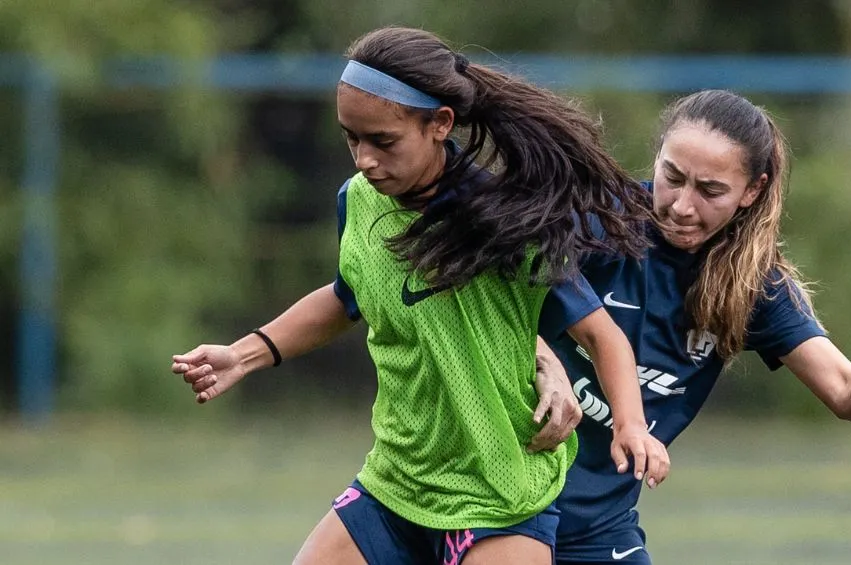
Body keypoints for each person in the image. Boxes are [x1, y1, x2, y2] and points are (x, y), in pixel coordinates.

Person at [170, 27, 670, 565]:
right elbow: (346, 297)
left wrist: (630, 425)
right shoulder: (358, 201)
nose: (363, 158)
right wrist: (243, 356)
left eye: (383, 141)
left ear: (440, 124)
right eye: (351, 138)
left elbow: (602, 334)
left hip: (498, 498)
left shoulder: (504, 222)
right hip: (397, 485)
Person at [535, 89, 851, 565]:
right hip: (509, 501)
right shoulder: (598, 219)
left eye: (710, 190)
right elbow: (484, 298)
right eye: (671, 177)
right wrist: (542, 356)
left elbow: (848, 396)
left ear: (751, 191)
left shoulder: (753, 283)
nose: (680, 205)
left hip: (599, 527)